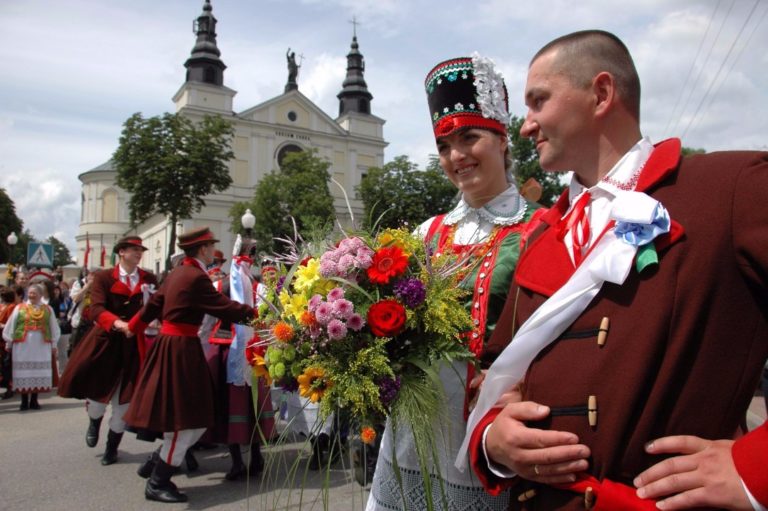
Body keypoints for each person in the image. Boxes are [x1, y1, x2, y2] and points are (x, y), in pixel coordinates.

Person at [463, 30, 768, 510]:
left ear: (601, 93)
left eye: (538, 101)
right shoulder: (539, 236)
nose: (526, 125)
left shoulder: (728, 188)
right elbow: (497, 377)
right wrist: (493, 440)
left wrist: (754, 470)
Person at [366, 54, 540, 511]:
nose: (456, 156)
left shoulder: (540, 229)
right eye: (444, 145)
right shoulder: (427, 233)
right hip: (416, 430)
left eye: (469, 137)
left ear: (503, 141)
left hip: (491, 429)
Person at [124, 227, 256, 503]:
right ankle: (158, 480)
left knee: (185, 416)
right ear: (202, 249)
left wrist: (133, 326)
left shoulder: (176, 274)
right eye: (210, 246)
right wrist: (258, 314)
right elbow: (224, 307)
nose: (212, 251)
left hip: (169, 346)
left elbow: (153, 305)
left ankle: (157, 464)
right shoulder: (196, 277)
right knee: (189, 419)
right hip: (181, 350)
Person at [58, 236, 158, 466]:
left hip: (135, 345)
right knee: (97, 397)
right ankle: (94, 422)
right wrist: (118, 324)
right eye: (133, 249)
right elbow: (96, 309)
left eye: (140, 249)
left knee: (125, 401)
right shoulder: (104, 277)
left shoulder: (149, 279)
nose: (138, 253)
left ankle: (112, 447)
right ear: (121, 252)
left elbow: (155, 306)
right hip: (106, 341)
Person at [2, 283, 60, 410]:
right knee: (23, 372)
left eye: (34, 293)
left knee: (37, 372)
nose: (31, 295)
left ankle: (34, 400)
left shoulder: (47, 309)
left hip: (41, 345)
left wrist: (54, 343)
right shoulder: (19, 308)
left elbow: (53, 327)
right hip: (23, 345)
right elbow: (12, 324)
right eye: (30, 293)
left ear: (40, 295)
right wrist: (9, 341)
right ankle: (23, 401)